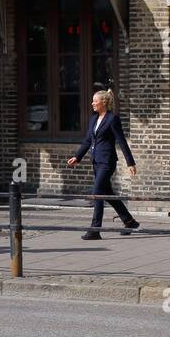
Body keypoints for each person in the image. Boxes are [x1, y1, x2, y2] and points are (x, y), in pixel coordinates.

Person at [67, 88, 139, 240]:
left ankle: (95, 229)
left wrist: (130, 162)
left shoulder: (112, 119)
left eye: (95, 101)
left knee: (97, 193)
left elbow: (121, 141)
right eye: (93, 101)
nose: (92, 103)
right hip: (96, 161)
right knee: (108, 194)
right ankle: (129, 221)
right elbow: (88, 140)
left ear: (104, 102)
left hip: (107, 162)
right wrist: (77, 157)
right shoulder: (94, 119)